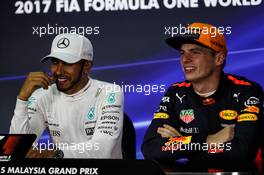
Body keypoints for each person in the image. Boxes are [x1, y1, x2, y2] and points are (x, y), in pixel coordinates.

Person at [142, 22, 263, 162]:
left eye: (195, 52)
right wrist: (207, 140)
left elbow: (242, 152)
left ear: (219, 58)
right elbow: (150, 149)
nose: (185, 60)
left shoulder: (247, 91)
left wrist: (180, 142)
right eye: (182, 53)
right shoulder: (175, 92)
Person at [10, 33, 124, 159]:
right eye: (55, 62)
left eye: (68, 63)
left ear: (87, 65)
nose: (59, 71)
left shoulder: (110, 92)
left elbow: (102, 149)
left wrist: (55, 154)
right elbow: (17, 149)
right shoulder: (42, 95)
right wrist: (22, 99)